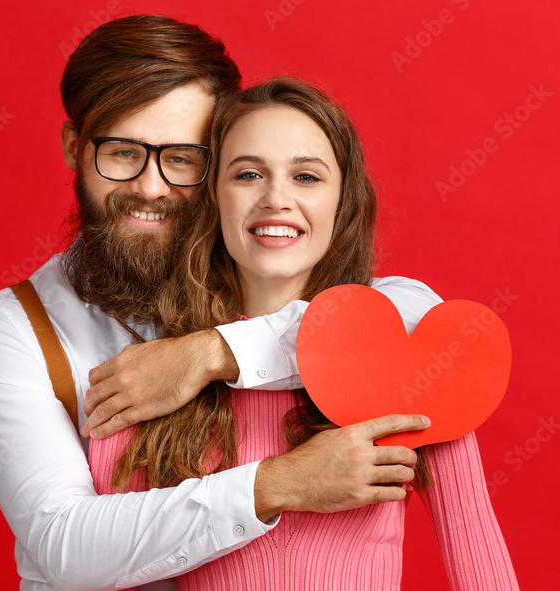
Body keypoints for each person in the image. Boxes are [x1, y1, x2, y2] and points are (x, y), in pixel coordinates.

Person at [0, 15, 437, 591]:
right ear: (75, 149)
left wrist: (211, 353)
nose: (151, 186)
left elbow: (412, 315)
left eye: (182, 158)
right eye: (123, 152)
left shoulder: (253, 269)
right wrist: (275, 484)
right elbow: (65, 545)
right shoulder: (10, 329)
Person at [89, 77, 519, 590]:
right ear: (212, 198)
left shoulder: (405, 362)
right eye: (248, 174)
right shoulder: (153, 376)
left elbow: (478, 558)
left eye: (307, 177)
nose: (276, 199)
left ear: (342, 203)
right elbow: (114, 564)